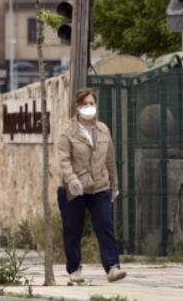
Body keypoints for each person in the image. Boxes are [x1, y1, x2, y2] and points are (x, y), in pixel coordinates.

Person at [54, 88, 125, 284]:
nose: (89, 107)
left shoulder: (103, 130)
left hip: (99, 187)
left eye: (92, 103)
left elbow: (110, 159)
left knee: (105, 226)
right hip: (74, 188)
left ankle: (112, 267)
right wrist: (71, 178)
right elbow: (64, 159)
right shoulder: (67, 132)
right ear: (78, 107)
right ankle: (74, 270)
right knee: (73, 229)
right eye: (85, 104)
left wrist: (114, 185)